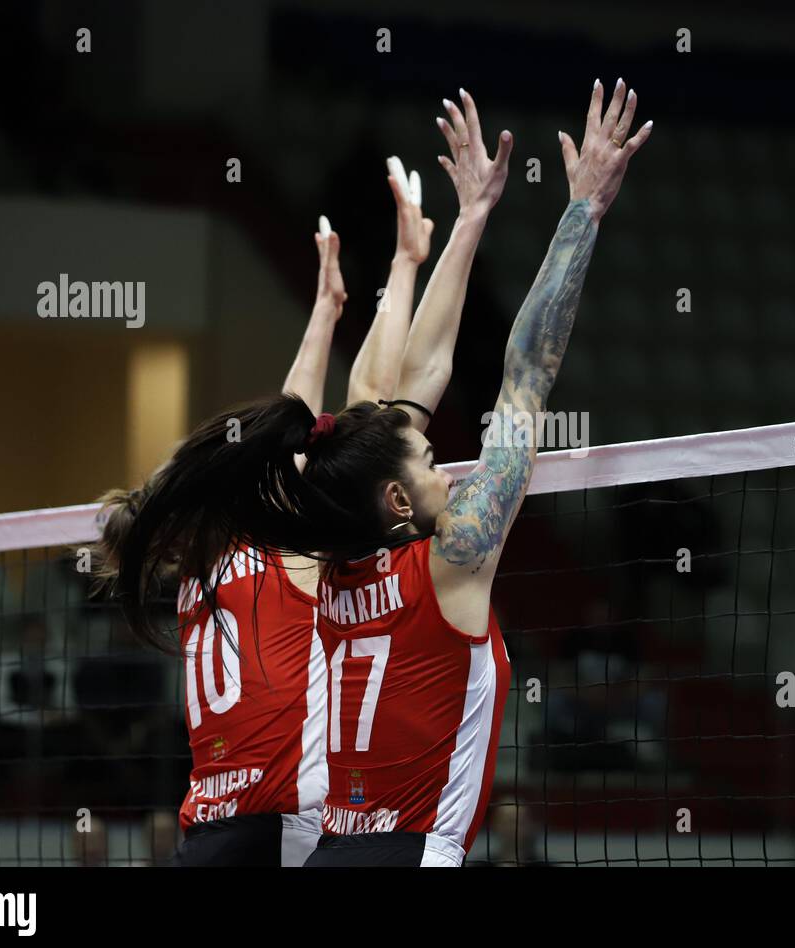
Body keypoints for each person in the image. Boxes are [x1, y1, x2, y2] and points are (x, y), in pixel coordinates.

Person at [104, 78, 649, 868]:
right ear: (394, 497)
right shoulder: (454, 557)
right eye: (432, 462)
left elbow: (382, 403)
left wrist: (452, 234)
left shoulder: (328, 564)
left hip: (328, 852)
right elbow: (524, 376)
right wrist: (582, 211)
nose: (450, 474)